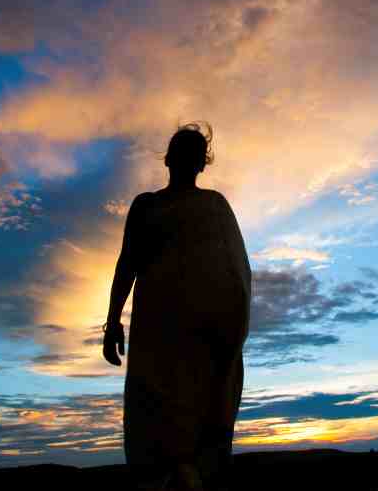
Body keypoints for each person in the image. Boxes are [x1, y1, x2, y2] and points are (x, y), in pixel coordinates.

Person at [102, 122, 252, 491]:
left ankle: (197, 475)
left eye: (196, 155)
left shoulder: (215, 206)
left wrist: (231, 326)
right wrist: (112, 322)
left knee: (202, 408)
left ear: (203, 164)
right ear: (169, 159)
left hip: (204, 334)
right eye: (183, 152)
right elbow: (128, 263)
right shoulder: (146, 205)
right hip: (157, 330)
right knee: (155, 406)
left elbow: (235, 270)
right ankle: (163, 479)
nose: (189, 160)